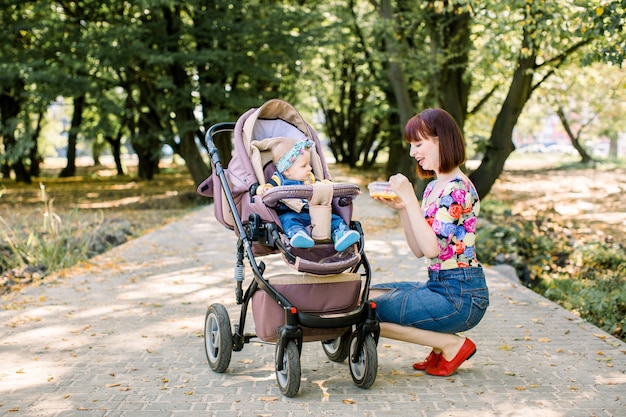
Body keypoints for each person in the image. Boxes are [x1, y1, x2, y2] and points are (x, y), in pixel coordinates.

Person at [369, 108, 489, 377]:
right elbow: (418, 250)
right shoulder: (435, 187)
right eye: (411, 145)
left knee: (368, 312)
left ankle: (451, 344)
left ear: (441, 141)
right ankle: (440, 348)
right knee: (367, 295)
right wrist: (403, 209)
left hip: (460, 295)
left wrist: (411, 201)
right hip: (441, 286)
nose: (413, 153)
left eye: (418, 144)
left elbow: (433, 248)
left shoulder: (457, 189)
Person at [256, 137, 360, 252]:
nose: (310, 168)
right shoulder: (279, 179)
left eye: (309, 164)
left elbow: (323, 184)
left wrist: (333, 186)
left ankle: (341, 235)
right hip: (291, 213)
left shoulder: (310, 178)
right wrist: (263, 189)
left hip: (314, 213)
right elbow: (268, 188)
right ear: (286, 170)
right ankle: (299, 236)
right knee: (288, 221)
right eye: (304, 166)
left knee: (334, 219)